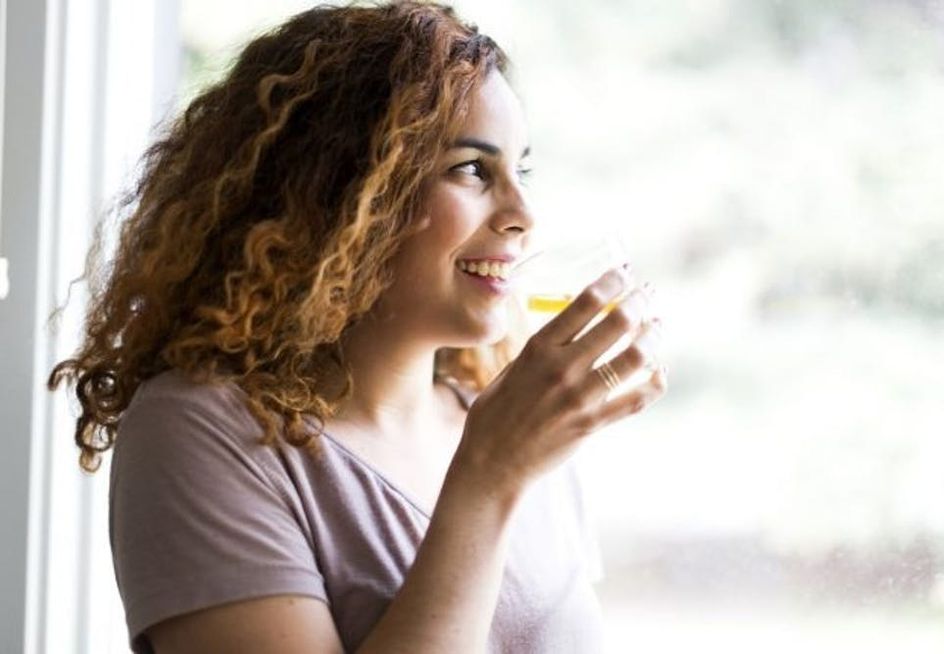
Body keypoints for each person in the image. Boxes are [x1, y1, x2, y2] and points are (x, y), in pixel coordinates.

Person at [48, 2, 666, 652]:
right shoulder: (200, 431)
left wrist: (504, 460)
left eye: (523, 170)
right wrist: (487, 480)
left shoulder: (509, 421)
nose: (524, 214)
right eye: (471, 170)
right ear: (342, 196)